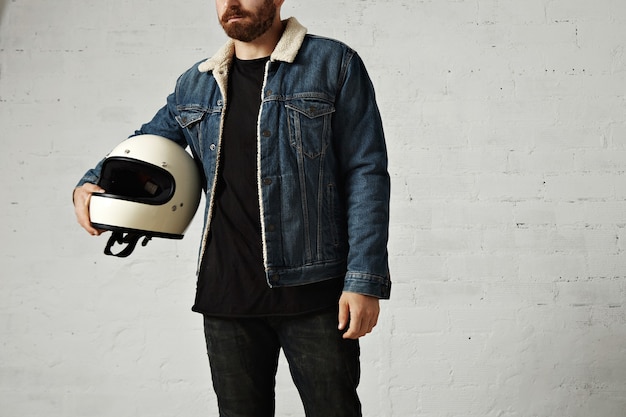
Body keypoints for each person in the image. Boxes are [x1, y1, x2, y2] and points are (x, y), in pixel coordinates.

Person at [73, 0, 390, 415]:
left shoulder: (332, 63)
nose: (231, 3)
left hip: (314, 292)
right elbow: (150, 140)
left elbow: (366, 171)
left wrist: (363, 280)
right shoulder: (196, 83)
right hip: (226, 294)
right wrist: (91, 180)